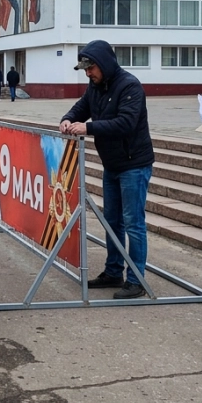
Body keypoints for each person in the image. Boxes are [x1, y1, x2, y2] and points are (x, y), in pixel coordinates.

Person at [60, 40, 154, 300]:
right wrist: (68, 119)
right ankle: (113, 271)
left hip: (134, 164)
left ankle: (136, 280)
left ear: (103, 64)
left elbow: (125, 123)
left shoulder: (129, 86)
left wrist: (87, 128)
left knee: (134, 224)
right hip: (112, 165)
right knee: (112, 221)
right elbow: (81, 108)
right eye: (85, 70)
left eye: (91, 69)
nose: (88, 74)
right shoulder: (96, 87)